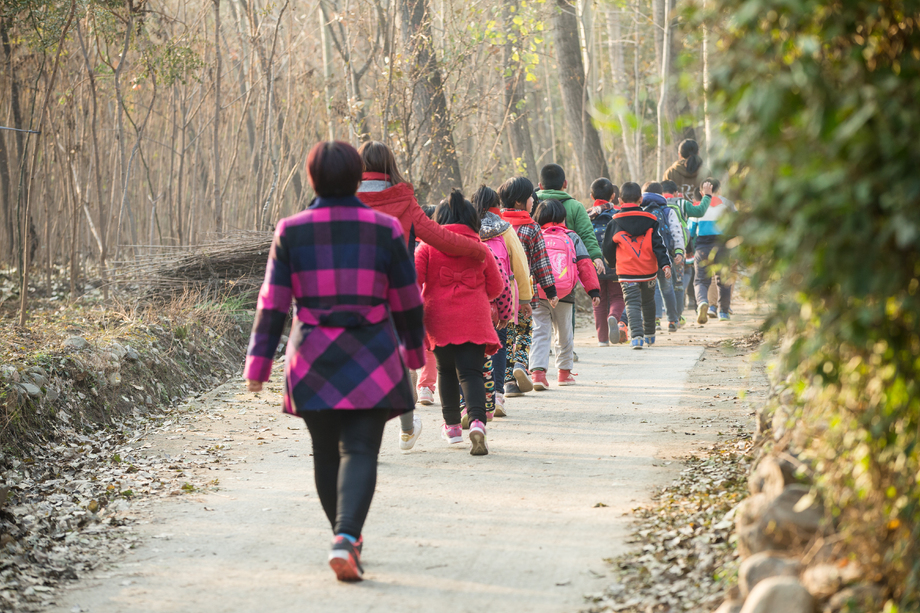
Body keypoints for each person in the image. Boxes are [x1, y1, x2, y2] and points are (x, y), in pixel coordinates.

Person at [244, 141, 425, 582]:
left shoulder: (291, 230)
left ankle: (343, 539)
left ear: (312, 179)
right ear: (355, 176)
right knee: (360, 450)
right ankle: (346, 538)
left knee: (325, 454)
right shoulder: (385, 229)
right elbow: (407, 300)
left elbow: (272, 304)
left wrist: (258, 366)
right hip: (374, 357)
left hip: (312, 358)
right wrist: (415, 353)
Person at [355, 141, 489, 450]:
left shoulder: (344, 199)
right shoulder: (402, 199)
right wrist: (476, 248)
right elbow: (438, 236)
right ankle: (406, 427)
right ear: (390, 166)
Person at [416, 190, 504, 455]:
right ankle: (477, 421)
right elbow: (497, 286)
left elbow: (413, 280)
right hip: (474, 317)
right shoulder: (481, 249)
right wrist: (477, 296)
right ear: (472, 221)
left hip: (438, 317)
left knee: (445, 371)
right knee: (471, 372)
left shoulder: (427, 248)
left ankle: (452, 428)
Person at [471, 185, 532, 418]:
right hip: (501, 299)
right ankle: (497, 395)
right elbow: (520, 264)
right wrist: (524, 299)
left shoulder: (467, 227)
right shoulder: (504, 228)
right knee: (499, 344)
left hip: (472, 298)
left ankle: (473, 398)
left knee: (472, 348)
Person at [529, 199, 600, 387]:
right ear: (563, 217)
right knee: (564, 332)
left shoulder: (535, 235)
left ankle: (537, 374)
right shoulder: (571, 236)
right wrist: (593, 290)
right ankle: (564, 373)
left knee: (539, 331)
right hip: (565, 292)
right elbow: (585, 264)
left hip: (538, 290)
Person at [497, 176, 558, 397]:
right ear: (522, 202)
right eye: (531, 197)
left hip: (498, 293)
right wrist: (550, 290)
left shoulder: (494, 226)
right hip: (523, 293)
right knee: (524, 330)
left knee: (505, 335)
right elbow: (541, 263)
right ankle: (521, 364)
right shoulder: (531, 228)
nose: (534, 200)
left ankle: (509, 383)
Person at [602, 182, 672, 349]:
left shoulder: (614, 222)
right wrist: (665, 264)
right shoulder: (651, 220)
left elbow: (607, 248)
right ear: (641, 199)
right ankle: (649, 335)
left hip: (626, 272)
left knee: (632, 303)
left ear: (620, 200)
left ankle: (637, 338)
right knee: (648, 302)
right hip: (648, 271)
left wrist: (613, 263)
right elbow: (659, 244)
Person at [535, 163, 606, 272]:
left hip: (537, 266)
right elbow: (586, 233)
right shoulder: (575, 206)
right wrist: (595, 256)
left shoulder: (532, 204)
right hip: (566, 269)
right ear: (565, 184)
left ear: (540, 186)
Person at [688, 179, 737, 324]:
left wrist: (688, 249)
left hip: (703, 248)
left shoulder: (697, 206)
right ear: (720, 189)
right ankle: (723, 312)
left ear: (702, 192)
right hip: (723, 247)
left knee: (700, 281)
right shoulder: (729, 205)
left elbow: (690, 231)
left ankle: (703, 302)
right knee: (723, 280)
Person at [641, 182, 684, 332]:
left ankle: (655, 319)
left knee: (651, 289)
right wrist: (679, 251)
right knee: (667, 288)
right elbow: (676, 232)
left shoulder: (641, 210)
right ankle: (673, 320)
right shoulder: (668, 211)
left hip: (645, 258)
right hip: (665, 256)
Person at [589, 178, 627, 345]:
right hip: (615, 263)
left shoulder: (586, 215)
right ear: (613, 196)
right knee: (618, 296)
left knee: (598, 299)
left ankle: (602, 339)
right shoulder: (619, 214)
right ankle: (614, 317)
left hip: (593, 265)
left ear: (591, 196)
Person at [661, 179, 696, 315]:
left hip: (660, 252)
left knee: (662, 284)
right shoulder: (681, 203)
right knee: (679, 283)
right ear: (676, 193)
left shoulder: (655, 205)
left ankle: (660, 316)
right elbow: (698, 212)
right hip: (678, 250)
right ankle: (678, 316)